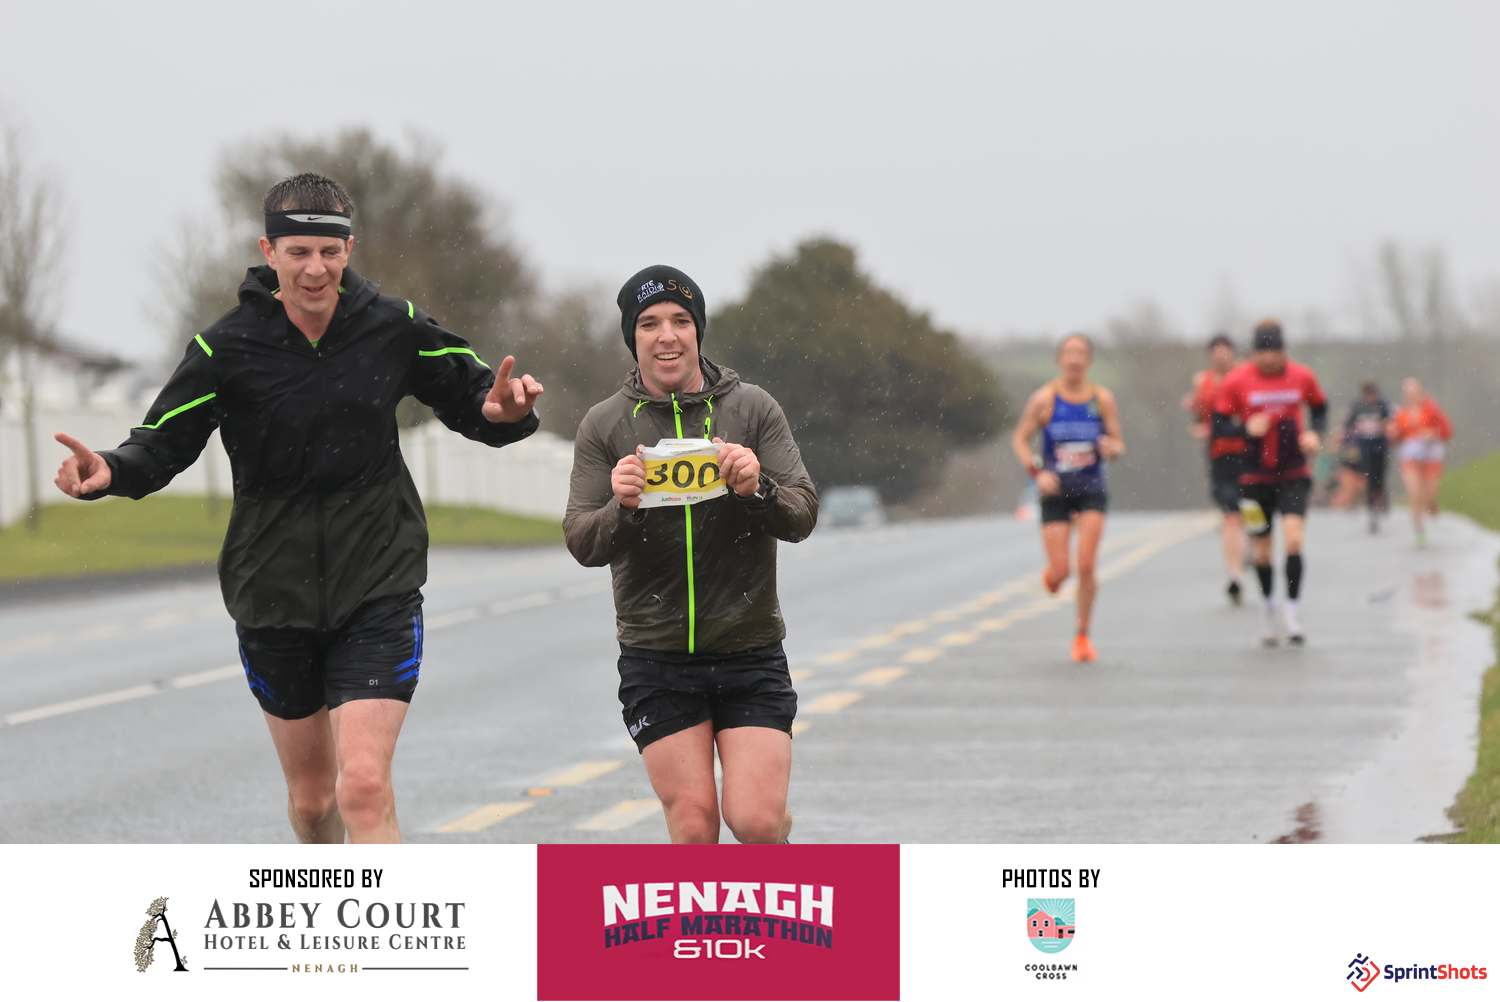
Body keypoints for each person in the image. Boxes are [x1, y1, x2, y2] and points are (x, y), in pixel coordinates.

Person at [52, 173, 543, 843]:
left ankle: (381, 916)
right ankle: (325, 900)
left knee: (362, 785)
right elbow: (163, 442)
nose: (316, 269)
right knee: (313, 803)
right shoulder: (225, 348)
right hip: (272, 593)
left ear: (349, 251)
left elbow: (476, 398)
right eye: (299, 252)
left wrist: (505, 414)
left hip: (378, 582)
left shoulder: (392, 326)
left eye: (330, 252)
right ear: (269, 251)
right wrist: (110, 470)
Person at [563, 265, 818, 844]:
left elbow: (802, 514)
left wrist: (758, 488)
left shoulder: (752, 409)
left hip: (749, 649)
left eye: (681, 321)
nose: (667, 336)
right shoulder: (604, 425)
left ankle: (776, 841)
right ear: (632, 337)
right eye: (649, 324)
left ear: (698, 330)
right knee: (695, 825)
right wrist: (622, 507)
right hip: (657, 657)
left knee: (754, 820)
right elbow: (581, 540)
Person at [1010, 333, 1125, 663]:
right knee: (1061, 571)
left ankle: (1082, 635)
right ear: (1059, 360)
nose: (1074, 359)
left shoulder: (1102, 399)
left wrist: (1112, 448)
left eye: (1080, 353)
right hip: (1055, 491)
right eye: (1069, 353)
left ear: (1088, 360)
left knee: (1086, 565)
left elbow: (1119, 443)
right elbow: (1020, 440)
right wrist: (1037, 473)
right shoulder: (1044, 399)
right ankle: (1053, 576)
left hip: (1091, 489)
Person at [1213, 319, 1327, 646]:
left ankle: (1292, 611)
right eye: (1262, 353)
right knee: (1261, 552)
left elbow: (1319, 407)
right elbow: (1219, 424)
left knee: (1293, 541)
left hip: (1294, 473)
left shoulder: (1302, 376)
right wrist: (1244, 429)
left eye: (1275, 352)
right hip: (1252, 478)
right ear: (1254, 353)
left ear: (1283, 351)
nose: (1269, 359)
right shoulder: (1237, 380)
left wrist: (1313, 433)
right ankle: (1268, 607)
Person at [1186, 333, 1247, 604]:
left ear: (1233, 353)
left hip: (1248, 453)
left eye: (1225, 351)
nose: (1221, 356)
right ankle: (1235, 574)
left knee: (1251, 511)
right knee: (1230, 514)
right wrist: (1199, 424)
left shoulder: (1246, 376)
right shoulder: (1203, 381)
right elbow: (1199, 415)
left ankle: (1255, 548)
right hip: (1219, 454)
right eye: (1216, 352)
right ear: (1210, 355)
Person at [1389, 377, 1453, 546]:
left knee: (1430, 493)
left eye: (1414, 391)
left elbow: (1446, 431)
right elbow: (1395, 439)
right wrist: (1392, 433)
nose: (1411, 395)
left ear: (1420, 391)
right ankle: (1419, 532)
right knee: (1415, 494)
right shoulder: (1401, 413)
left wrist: (1432, 434)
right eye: (1408, 392)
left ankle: (1432, 503)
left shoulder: (1432, 409)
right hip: (1410, 457)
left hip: (1431, 456)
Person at [1341, 381, 1391, 533]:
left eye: (1372, 395)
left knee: (1380, 476)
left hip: (1380, 447)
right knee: (1368, 477)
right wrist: (1347, 441)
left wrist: (1384, 426)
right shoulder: (1357, 406)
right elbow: (1347, 425)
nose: (1370, 398)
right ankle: (1371, 507)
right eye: (1367, 395)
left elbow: (1391, 422)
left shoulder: (1383, 405)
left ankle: (1381, 495)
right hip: (1364, 447)